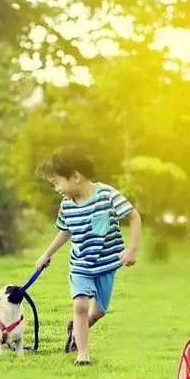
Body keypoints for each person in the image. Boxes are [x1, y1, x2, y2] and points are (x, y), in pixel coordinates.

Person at [35, 147, 142, 366]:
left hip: (106, 264)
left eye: (56, 182)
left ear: (75, 176)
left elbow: (134, 216)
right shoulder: (67, 205)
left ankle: (74, 328)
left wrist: (132, 249)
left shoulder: (106, 195)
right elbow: (65, 231)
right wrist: (47, 253)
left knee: (99, 311)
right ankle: (82, 354)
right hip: (81, 264)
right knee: (81, 306)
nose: (56, 189)